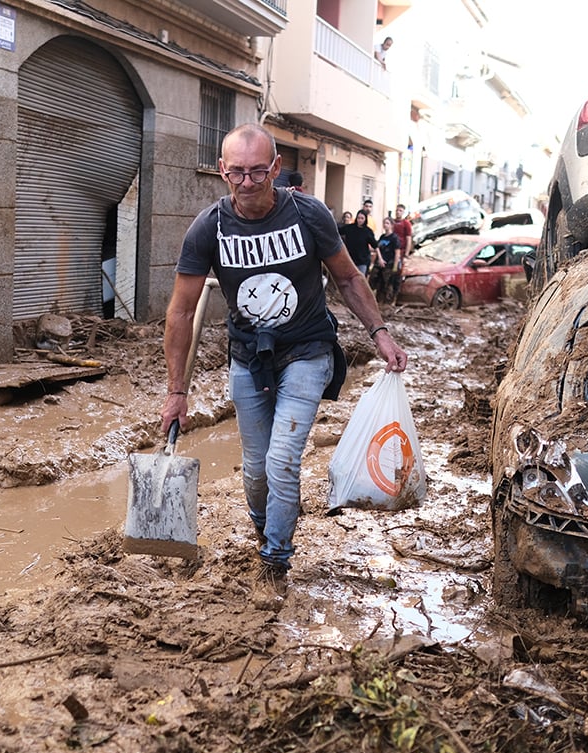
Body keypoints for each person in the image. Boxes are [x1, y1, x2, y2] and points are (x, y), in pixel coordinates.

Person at [161, 123, 408, 593]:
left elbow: (348, 278)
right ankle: (266, 529)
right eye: (237, 172)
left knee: (281, 460)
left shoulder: (308, 215)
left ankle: (275, 561)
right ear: (222, 171)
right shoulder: (208, 228)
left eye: (258, 171)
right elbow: (181, 312)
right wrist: (176, 392)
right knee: (256, 469)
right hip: (248, 357)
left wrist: (380, 334)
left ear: (276, 168)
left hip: (307, 350)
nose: (247, 182)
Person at [339, 209, 377, 277]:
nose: (360, 220)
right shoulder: (350, 228)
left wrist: (379, 257)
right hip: (350, 259)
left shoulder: (368, 231)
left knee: (360, 279)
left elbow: (375, 245)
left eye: (362, 218)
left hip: (362, 261)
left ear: (365, 219)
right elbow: (338, 231)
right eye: (358, 218)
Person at [373, 215, 401, 304]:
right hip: (380, 264)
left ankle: (388, 303)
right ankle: (378, 302)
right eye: (384, 223)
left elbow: (397, 253)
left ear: (391, 225)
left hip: (389, 264)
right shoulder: (382, 237)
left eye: (387, 223)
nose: (385, 225)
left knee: (388, 285)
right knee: (378, 284)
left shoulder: (394, 238)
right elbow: (377, 249)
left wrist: (395, 267)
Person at [393, 203, 413, 270]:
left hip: (401, 251)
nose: (398, 212)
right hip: (391, 250)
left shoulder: (406, 223)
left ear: (403, 212)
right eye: (397, 210)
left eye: (400, 211)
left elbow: (409, 239)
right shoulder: (392, 222)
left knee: (397, 269)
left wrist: (406, 254)